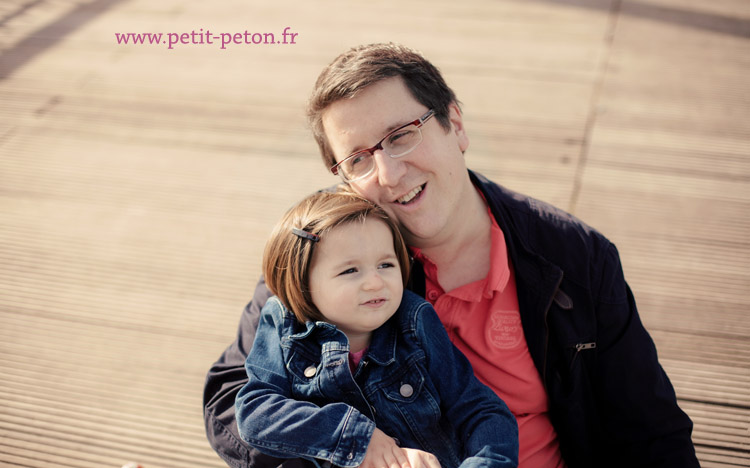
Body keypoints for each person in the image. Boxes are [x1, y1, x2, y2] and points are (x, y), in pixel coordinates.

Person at [204, 43, 699, 468]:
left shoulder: (574, 256)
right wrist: (355, 452)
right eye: (358, 158)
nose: (390, 173)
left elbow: (650, 432)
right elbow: (230, 404)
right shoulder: (322, 252)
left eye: (401, 135)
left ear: (455, 124)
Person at [234, 190, 518, 468]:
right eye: (350, 271)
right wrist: (358, 438)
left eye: (385, 264)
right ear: (304, 282)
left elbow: (482, 411)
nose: (374, 282)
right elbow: (257, 413)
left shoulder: (414, 322)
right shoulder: (283, 324)